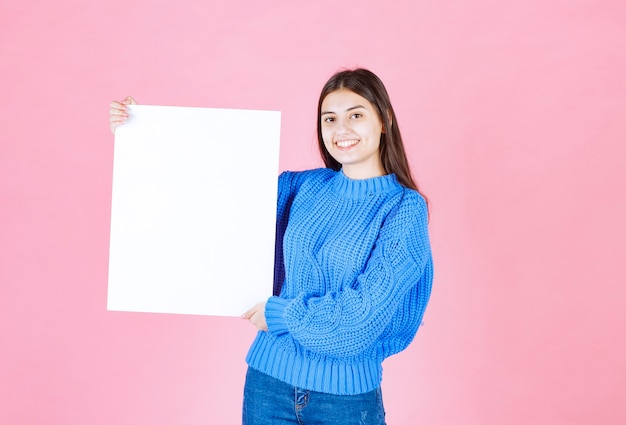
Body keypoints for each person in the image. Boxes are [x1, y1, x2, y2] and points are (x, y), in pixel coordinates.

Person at [109, 68, 433, 425]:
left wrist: (281, 315)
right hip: (268, 386)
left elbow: (360, 320)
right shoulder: (301, 188)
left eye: (356, 115)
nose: (341, 129)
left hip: (345, 402)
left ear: (384, 119)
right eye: (330, 118)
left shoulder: (404, 209)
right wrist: (143, 135)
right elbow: (209, 197)